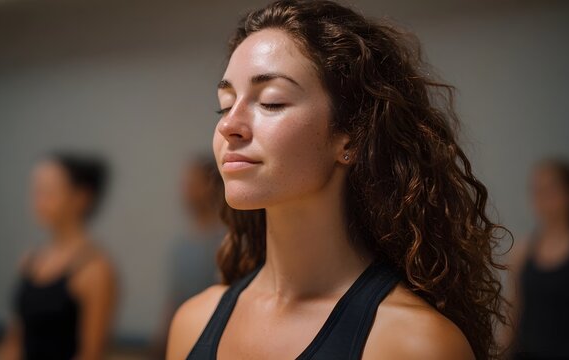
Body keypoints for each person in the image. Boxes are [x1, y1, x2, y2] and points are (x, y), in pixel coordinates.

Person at [166, 1, 508, 359]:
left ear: (351, 138)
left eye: (271, 101)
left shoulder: (414, 345)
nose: (227, 125)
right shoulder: (193, 322)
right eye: (226, 103)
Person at [0, 152, 117, 360]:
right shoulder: (31, 260)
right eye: (36, 191)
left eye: (48, 191)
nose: (38, 200)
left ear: (81, 197)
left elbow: (90, 353)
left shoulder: (95, 269)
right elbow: (14, 341)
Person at [149, 154, 226, 358]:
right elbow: (175, 300)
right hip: (183, 342)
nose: (185, 190)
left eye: (192, 183)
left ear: (211, 185)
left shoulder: (228, 242)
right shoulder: (181, 245)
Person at [505, 158, 569, 359]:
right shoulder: (523, 250)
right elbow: (514, 312)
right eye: (536, 191)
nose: (542, 198)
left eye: (550, 190)